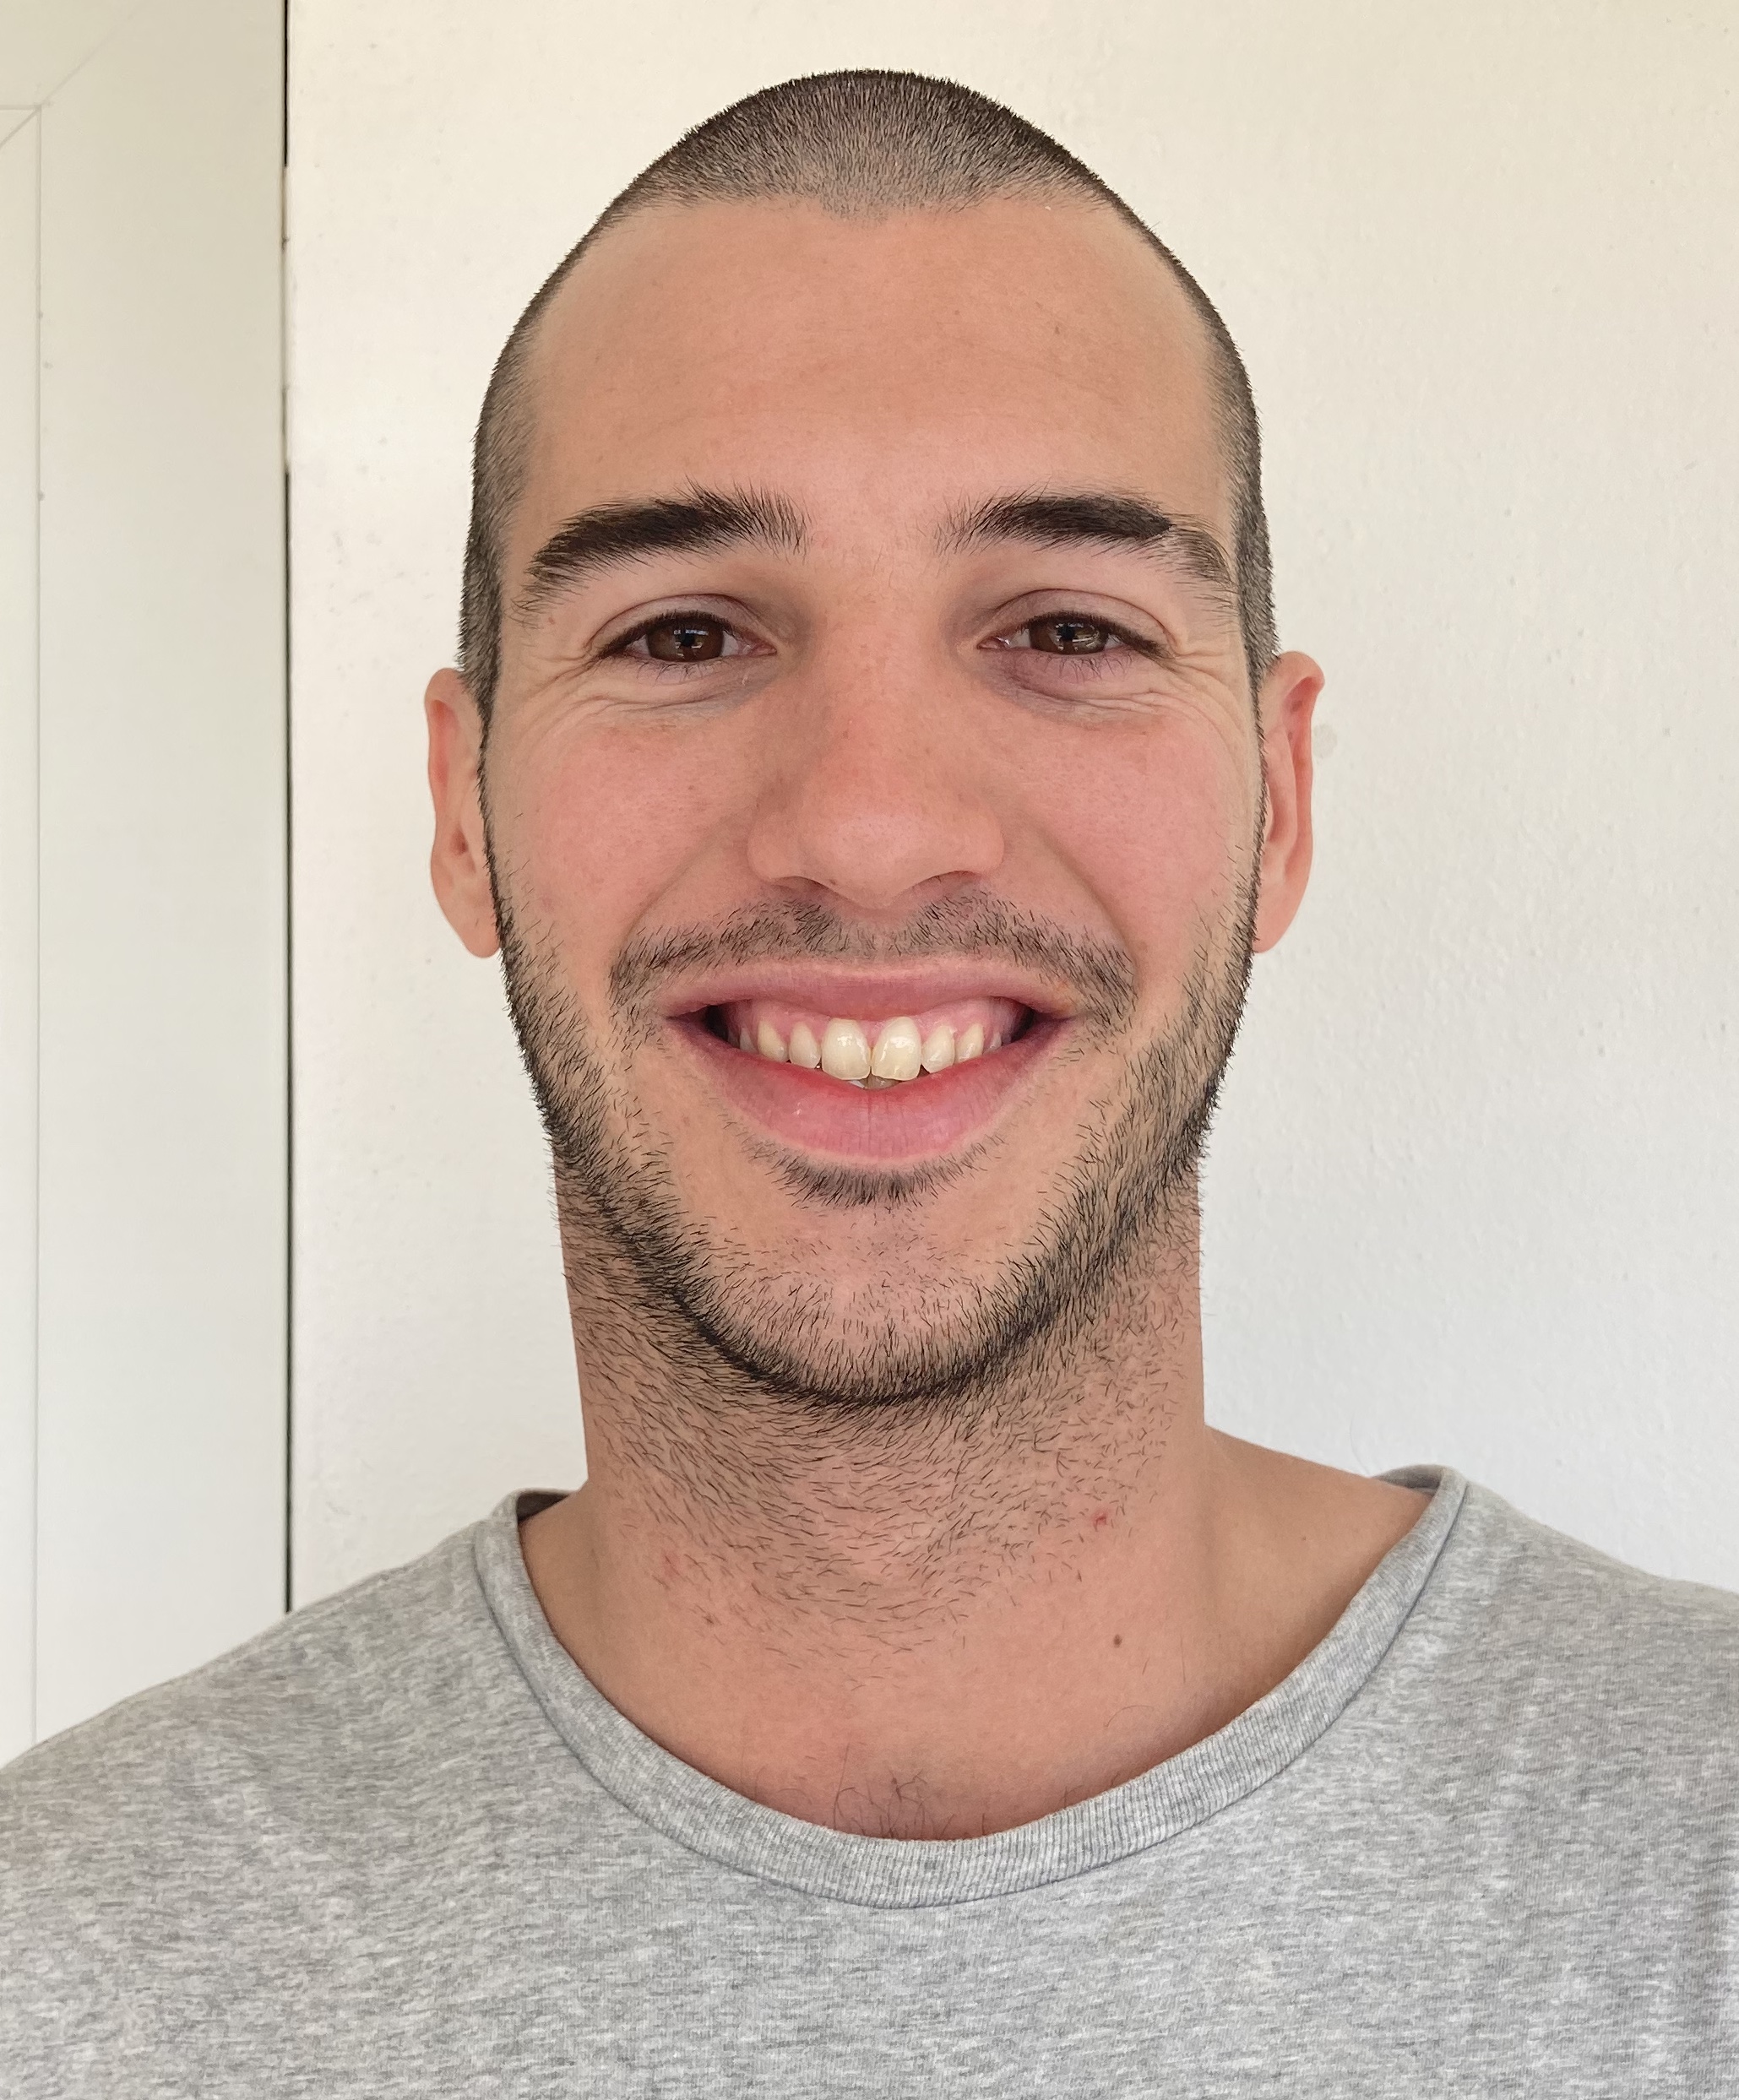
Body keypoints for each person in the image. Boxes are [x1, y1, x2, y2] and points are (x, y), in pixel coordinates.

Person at [3, 68, 1735, 2097]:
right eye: (683, 634)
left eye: (1065, 625)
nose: (871, 827)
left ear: (1278, 802)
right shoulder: (72, 1963)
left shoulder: (1694, 1857)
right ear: (463, 812)